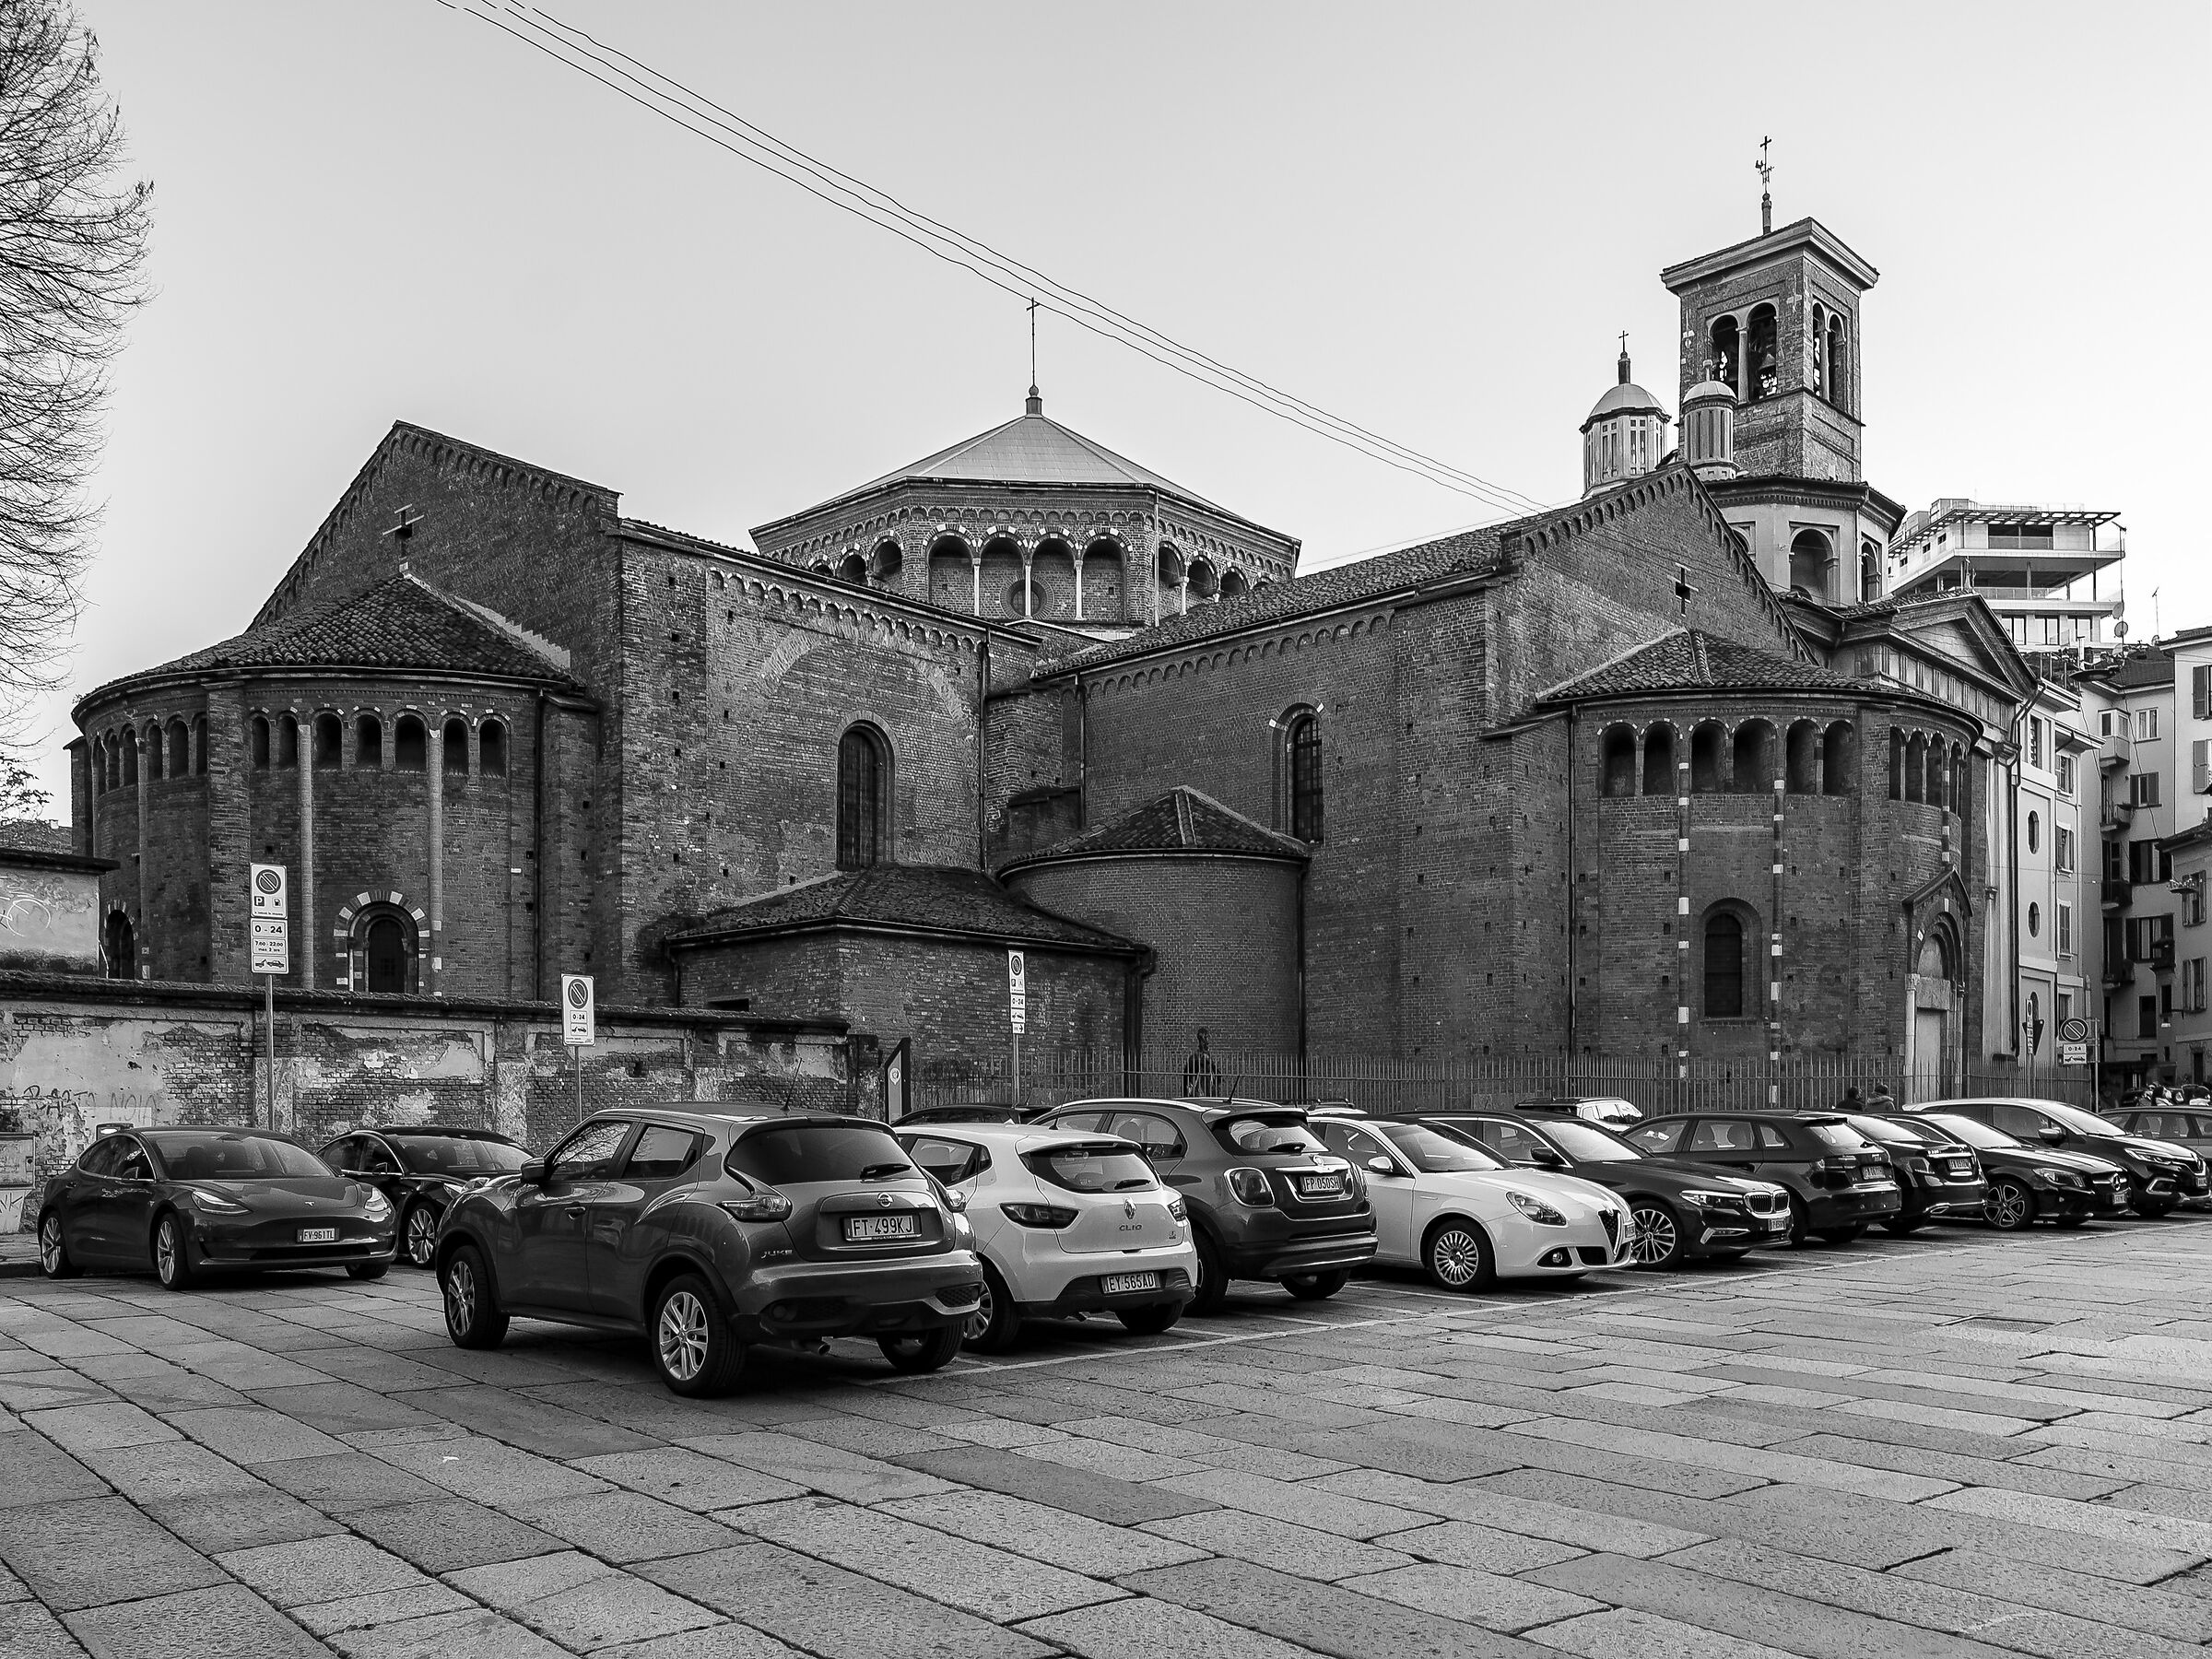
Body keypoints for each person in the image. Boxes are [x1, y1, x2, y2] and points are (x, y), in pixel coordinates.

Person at [1182, 1029, 1223, 1097]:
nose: (1206, 1043)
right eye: (1204, 1040)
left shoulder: (1208, 1057)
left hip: (1209, 1089)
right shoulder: (1194, 1058)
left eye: (1207, 1039)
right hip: (1198, 1090)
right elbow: (1188, 1076)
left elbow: (1216, 1074)